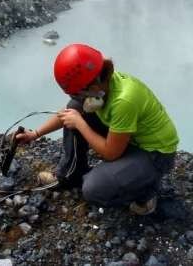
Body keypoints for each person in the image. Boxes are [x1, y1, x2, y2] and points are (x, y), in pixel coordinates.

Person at [16, 43, 179, 215]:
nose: (75, 97)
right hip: (129, 139)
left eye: (76, 94)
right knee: (74, 109)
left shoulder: (124, 101)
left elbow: (111, 153)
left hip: (155, 153)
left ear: (92, 88)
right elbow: (67, 113)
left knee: (94, 190)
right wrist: (35, 134)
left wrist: (80, 123)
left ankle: (147, 192)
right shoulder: (100, 81)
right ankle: (71, 176)